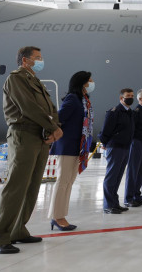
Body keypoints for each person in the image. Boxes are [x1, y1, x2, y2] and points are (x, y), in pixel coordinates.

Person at [0, 47, 63, 254]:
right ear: (25, 60)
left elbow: (50, 109)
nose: (41, 61)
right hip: (24, 135)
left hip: (40, 136)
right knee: (16, 187)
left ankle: (18, 230)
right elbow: (28, 107)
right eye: (37, 58)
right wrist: (53, 128)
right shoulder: (16, 79)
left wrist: (53, 128)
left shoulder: (35, 80)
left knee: (31, 187)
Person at [47, 71, 95, 231]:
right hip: (67, 146)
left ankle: (61, 215)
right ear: (82, 83)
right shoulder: (73, 99)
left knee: (69, 182)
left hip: (77, 147)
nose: (92, 83)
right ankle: (56, 216)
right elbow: (59, 118)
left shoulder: (83, 100)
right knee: (63, 181)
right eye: (89, 80)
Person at [99, 88, 135, 214]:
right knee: (112, 176)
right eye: (128, 95)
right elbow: (105, 131)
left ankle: (114, 203)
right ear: (121, 98)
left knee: (118, 176)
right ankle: (108, 205)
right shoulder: (114, 112)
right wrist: (105, 143)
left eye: (132, 95)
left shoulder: (130, 112)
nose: (130, 97)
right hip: (115, 148)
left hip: (125, 147)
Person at [124, 89, 142, 207]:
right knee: (133, 171)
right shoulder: (136, 112)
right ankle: (128, 198)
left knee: (141, 171)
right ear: (140, 99)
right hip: (137, 143)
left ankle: (137, 195)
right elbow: (132, 129)